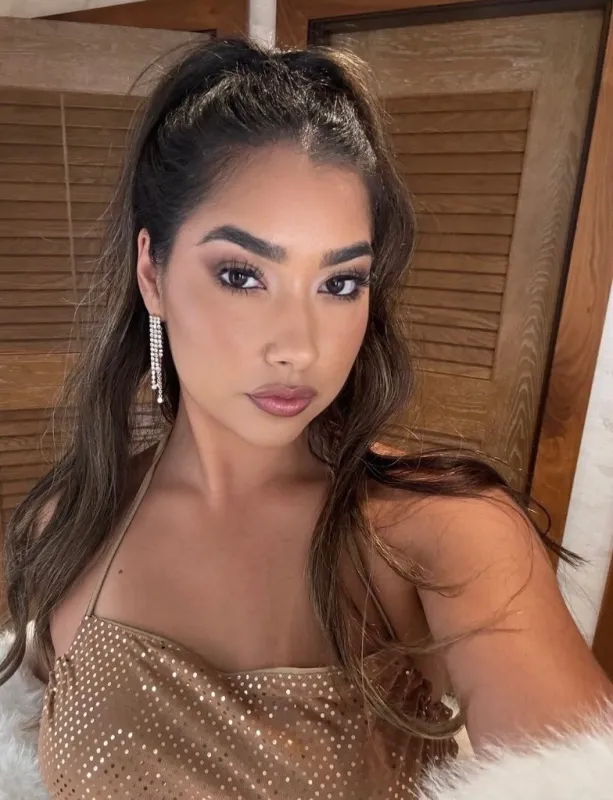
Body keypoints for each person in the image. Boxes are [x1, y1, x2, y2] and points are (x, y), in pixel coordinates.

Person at [1, 38, 611, 800]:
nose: (298, 345)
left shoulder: (439, 538)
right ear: (152, 272)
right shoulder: (68, 525)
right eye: (240, 274)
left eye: (339, 283)